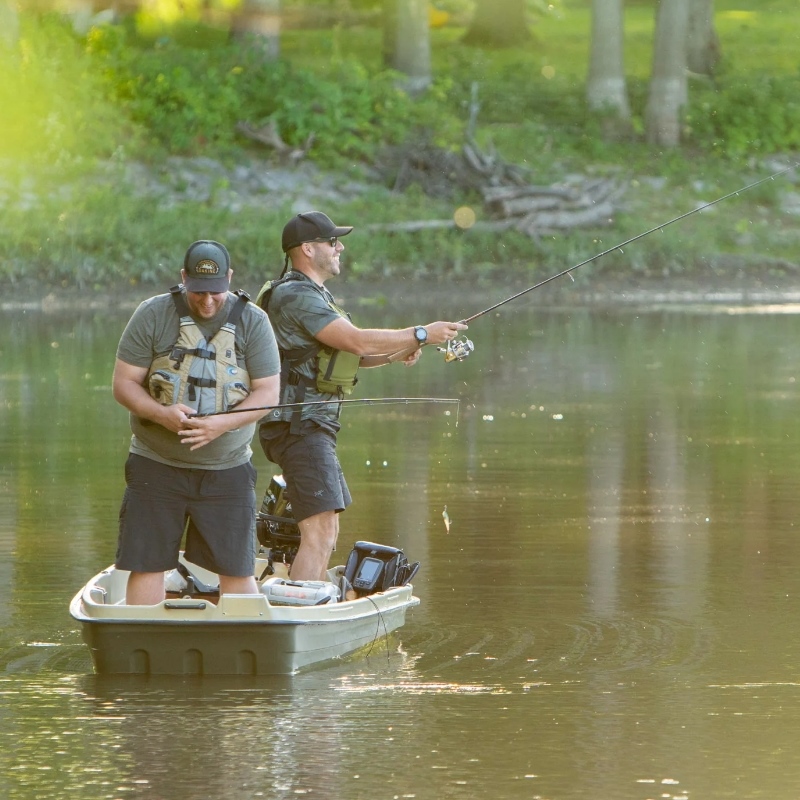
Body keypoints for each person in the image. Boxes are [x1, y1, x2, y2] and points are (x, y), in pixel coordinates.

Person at [256, 211, 468, 582]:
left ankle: (308, 598)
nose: (340, 247)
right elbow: (355, 340)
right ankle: (303, 607)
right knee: (320, 532)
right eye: (332, 241)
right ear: (307, 249)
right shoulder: (294, 295)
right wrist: (420, 333)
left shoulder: (314, 294)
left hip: (311, 426)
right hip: (298, 426)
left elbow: (354, 355)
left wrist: (401, 350)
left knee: (327, 530)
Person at [113, 240, 281, 605]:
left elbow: (268, 392)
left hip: (227, 469)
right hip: (155, 464)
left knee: (238, 570)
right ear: (184, 278)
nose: (207, 301)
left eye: (215, 292)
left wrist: (222, 424)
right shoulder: (152, 314)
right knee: (146, 565)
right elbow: (123, 384)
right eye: (199, 291)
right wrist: (161, 414)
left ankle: (242, 636)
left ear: (230, 278)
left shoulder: (254, 321)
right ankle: (144, 636)